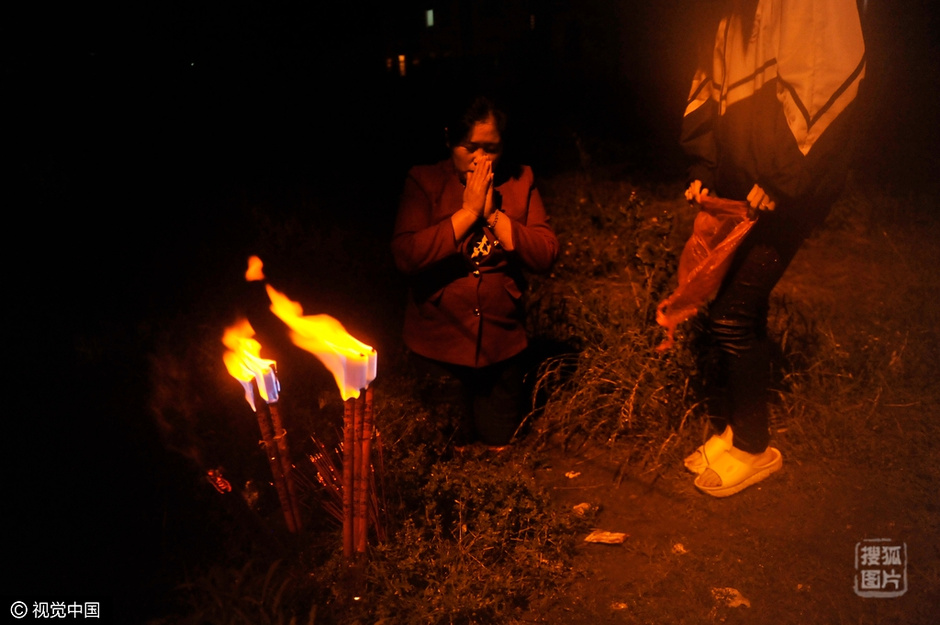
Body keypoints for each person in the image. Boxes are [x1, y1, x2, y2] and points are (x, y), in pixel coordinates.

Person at [680, 0, 866, 496]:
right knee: (737, 309)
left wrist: (783, 173)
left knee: (731, 314)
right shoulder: (730, 9)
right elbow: (710, 79)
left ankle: (755, 449)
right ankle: (738, 431)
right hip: (750, 180)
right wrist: (704, 164)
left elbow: (825, 75)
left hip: (790, 183)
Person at [391, 96, 559, 450]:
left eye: (492, 149)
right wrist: (467, 214)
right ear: (450, 139)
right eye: (471, 148)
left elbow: (546, 254)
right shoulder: (424, 181)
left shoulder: (519, 179)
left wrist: (494, 216)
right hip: (438, 341)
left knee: (503, 442)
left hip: (502, 342)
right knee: (450, 446)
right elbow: (405, 255)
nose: (481, 159)